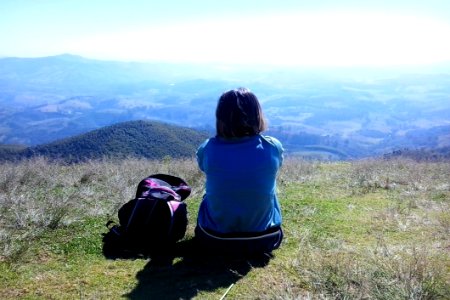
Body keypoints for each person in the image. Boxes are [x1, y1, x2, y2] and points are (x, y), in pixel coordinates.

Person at [194, 87, 284, 255]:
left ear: (220, 117)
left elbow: (203, 167)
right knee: (271, 193)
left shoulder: (208, 148)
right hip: (264, 239)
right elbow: (278, 165)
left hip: (213, 239)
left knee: (209, 195)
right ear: (257, 115)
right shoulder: (272, 146)